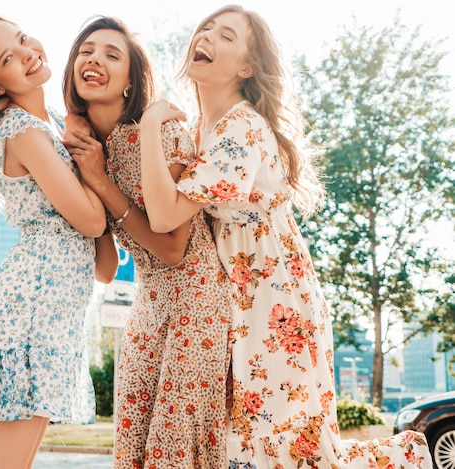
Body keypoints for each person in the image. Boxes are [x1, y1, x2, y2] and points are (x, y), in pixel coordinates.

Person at [139, 5, 433, 468]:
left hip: (272, 297)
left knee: (281, 443)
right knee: (255, 441)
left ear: (246, 67)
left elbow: (163, 215)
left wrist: (149, 127)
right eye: (207, 28)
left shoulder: (242, 126)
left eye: (228, 36)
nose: (209, 36)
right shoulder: (202, 129)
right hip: (245, 292)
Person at [62, 16, 234, 469]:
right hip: (150, 301)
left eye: (111, 55)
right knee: (135, 437)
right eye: (86, 51)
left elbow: (174, 246)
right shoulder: (80, 145)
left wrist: (99, 179)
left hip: (198, 299)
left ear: (130, 81)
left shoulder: (161, 134)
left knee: (175, 442)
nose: (95, 59)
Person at [0, 17, 118, 469]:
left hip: (55, 316)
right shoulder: (23, 130)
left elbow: (105, 265)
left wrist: (92, 175)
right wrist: (95, 173)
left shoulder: (60, 127)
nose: (26, 52)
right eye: (7, 57)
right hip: (28, 313)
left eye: (22, 38)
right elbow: (88, 217)